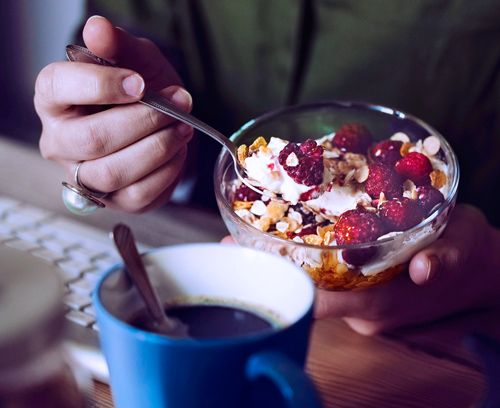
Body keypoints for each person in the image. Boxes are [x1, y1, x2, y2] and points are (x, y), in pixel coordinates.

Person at [34, 9, 500, 335]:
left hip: (458, 339)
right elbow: (130, 42)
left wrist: (489, 269)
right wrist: (117, 138)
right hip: (222, 294)